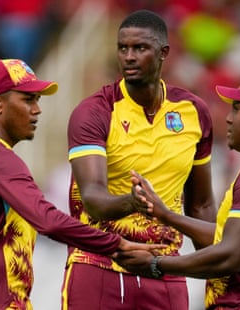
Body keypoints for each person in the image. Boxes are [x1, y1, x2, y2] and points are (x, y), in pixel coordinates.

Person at [0, 58, 163, 310]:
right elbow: (48, 220)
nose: (37, 109)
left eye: (37, 100)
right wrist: (116, 244)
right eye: (27, 99)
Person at [114, 74, 240, 310]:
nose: (229, 119)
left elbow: (231, 255)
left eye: (238, 110)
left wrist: (156, 264)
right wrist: (166, 215)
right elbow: (232, 238)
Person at [64, 9, 216, 310]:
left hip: (164, 269)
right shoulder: (95, 112)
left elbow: (200, 204)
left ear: (164, 53)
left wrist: (216, 263)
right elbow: (93, 197)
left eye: (140, 48)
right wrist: (135, 202)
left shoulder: (193, 113)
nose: (129, 57)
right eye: (123, 48)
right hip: (99, 265)